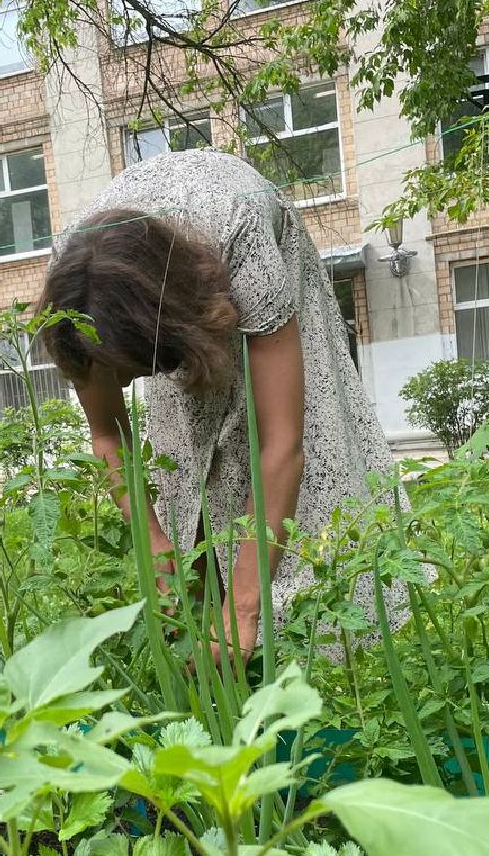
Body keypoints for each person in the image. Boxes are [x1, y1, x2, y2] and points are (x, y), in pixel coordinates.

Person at [36, 149, 400, 662]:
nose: (127, 383)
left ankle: (343, 657)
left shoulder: (241, 231)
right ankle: (210, 642)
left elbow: (282, 442)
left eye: (138, 370)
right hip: (156, 293)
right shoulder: (77, 298)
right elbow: (108, 436)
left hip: (238, 243)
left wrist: (246, 608)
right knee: (184, 468)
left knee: (318, 453)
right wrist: (154, 539)